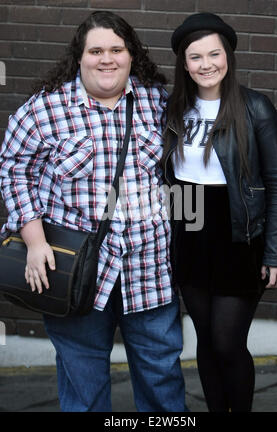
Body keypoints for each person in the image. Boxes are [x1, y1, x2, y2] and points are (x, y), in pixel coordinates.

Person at [0, 11, 186, 412]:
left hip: (149, 269)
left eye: (117, 49)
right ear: (79, 57)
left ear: (131, 55)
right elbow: (14, 171)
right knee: (83, 386)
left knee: (162, 379)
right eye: (96, 50)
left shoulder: (157, 101)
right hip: (74, 273)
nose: (107, 59)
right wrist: (33, 242)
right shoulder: (44, 110)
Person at [162, 12, 277, 412]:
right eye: (195, 57)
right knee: (204, 340)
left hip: (238, 237)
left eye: (214, 54)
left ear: (228, 56)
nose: (206, 64)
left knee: (227, 341)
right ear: (184, 63)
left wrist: (276, 255)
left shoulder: (256, 109)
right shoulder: (173, 110)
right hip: (190, 232)